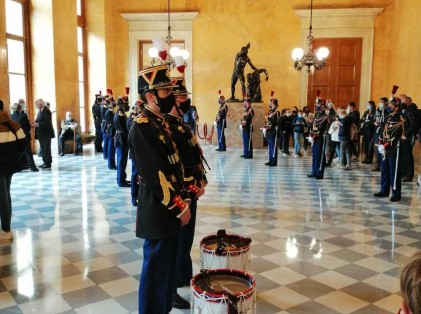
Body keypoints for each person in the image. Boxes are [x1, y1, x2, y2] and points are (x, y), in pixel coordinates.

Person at [128, 64, 192, 314]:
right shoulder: (143, 126)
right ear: (151, 96)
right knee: (155, 272)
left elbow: (173, 168)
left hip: (168, 211)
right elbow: (157, 177)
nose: (170, 97)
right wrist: (180, 207)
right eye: (165, 93)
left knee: (164, 273)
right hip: (158, 210)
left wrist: (184, 200)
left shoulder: (158, 123)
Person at [165, 76, 207, 309]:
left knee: (186, 239)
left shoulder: (181, 125)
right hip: (181, 191)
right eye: (182, 98)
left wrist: (201, 180)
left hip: (191, 189)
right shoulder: (168, 127)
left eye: (186, 97)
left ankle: (182, 276)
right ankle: (171, 287)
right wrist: (189, 187)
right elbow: (174, 166)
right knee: (177, 241)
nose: (186, 101)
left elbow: (194, 158)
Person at [0, 99, 27, 240]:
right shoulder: (13, 124)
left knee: (2, 198)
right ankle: (6, 227)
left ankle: (5, 229)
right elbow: (24, 144)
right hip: (10, 165)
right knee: (6, 195)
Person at [374, 100, 404, 202]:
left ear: (397, 107)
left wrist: (385, 145)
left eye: (391, 105)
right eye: (389, 105)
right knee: (384, 170)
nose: (389, 107)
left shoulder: (400, 119)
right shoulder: (387, 117)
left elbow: (396, 135)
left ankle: (396, 193)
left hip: (394, 148)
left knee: (393, 172)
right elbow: (383, 131)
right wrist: (380, 142)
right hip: (385, 148)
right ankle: (384, 190)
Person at [11, 103, 38, 172]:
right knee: (28, 152)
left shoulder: (10, 116)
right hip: (24, 137)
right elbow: (28, 127)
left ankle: (19, 167)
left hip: (15, 138)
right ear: (20, 109)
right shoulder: (23, 116)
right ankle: (33, 168)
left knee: (18, 153)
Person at [127, 100, 144, 206]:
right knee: (134, 174)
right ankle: (134, 197)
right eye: (140, 109)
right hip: (135, 152)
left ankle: (141, 195)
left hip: (142, 152)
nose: (142, 111)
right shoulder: (133, 119)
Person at [307, 100, 329, 179]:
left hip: (320, 137)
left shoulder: (324, 117)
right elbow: (313, 126)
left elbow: (321, 128)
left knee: (320, 156)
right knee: (315, 155)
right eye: (316, 104)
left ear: (322, 105)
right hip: (314, 138)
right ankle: (314, 171)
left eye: (318, 104)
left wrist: (314, 134)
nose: (316, 105)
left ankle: (319, 173)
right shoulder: (317, 115)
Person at [31, 99, 55, 169]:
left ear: (40, 104)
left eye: (36, 104)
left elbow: (47, 123)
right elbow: (38, 120)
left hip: (46, 134)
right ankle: (45, 162)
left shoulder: (47, 111)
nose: (36, 106)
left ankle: (48, 163)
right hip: (41, 134)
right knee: (43, 148)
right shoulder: (39, 111)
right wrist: (33, 123)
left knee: (46, 148)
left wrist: (37, 124)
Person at [401, 96, 419, 182]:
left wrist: (405, 134)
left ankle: (409, 175)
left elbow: (413, 125)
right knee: (404, 155)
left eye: (403, 102)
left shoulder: (413, 112)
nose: (402, 104)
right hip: (405, 135)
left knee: (408, 155)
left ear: (408, 102)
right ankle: (404, 173)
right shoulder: (407, 110)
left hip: (409, 136)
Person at [113, 97, 130, 187]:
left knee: (122, 160)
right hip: (122, 139)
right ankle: (121, 181)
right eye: (125, 104)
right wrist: (129, 135)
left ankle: (122, 178)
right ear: (122, 104)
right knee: (121, 161)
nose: (127, 106)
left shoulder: (120, 112)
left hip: (120, 138)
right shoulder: (120, 113)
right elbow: (124, 128)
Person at [372, 97, 389, 171]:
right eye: (379, 102)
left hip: (384, 132)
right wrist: (375, 122)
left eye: (381, 102)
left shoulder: (387, 111)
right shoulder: (377, 110)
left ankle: (383, 165)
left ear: (386, 103)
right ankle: (377, 165)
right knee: (377, 148)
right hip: (377, 131)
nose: (380, 103)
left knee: (384, 148)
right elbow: (375, 118)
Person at [265, 96, 280, 166]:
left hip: (273, 130)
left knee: (273, 147)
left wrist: (267, 118)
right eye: (270, 102)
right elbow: (268, 121)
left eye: (272, 103)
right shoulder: (270, 111)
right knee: (269, 147)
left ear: (275, 104)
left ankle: (274, 161)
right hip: (268, 130)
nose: (270, 104)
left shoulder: (277, 112)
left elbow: (274, 122)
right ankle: (270, 160)